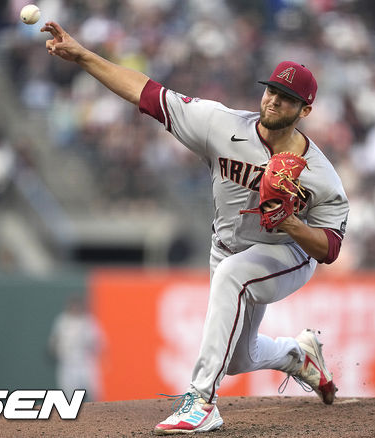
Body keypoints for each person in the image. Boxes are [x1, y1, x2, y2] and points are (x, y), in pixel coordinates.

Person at [41, 21, 349, 435]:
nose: (274, 101)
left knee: (232, 277)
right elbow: (146, 92)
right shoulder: (220, 124)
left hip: (287, 253)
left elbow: (329, 248)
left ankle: (201, 401)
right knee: (241, 356)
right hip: (226, 246)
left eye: (287, 98)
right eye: (272, 90)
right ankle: (299, 355)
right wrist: (82, 55)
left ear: (305, 111)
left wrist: (290, 221)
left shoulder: (321, 176)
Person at [48, 295, 104, 401]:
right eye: (72, 306)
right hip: (67, 363)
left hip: (85, 363)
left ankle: (99, 416)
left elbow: (99, 342)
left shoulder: (88, 321)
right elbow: (54, 341)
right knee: (68, 395)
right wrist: (54, 351)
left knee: (94, 392)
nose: (74, 308)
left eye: (77, 306)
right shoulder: (62, 321)